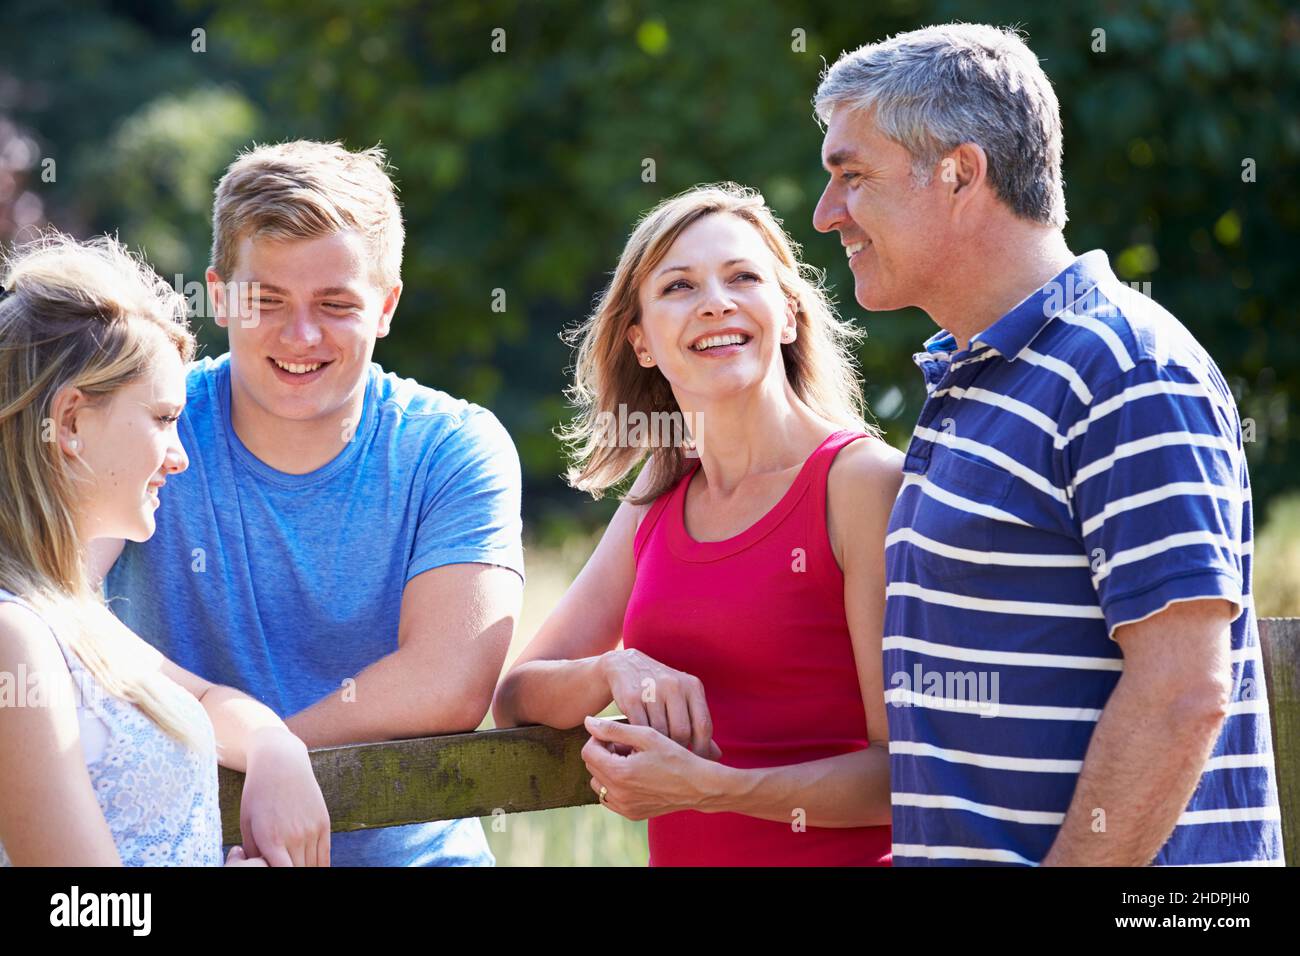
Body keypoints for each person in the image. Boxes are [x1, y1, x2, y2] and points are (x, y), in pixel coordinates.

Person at [812, 22, 1284, 865]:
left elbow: (1182, 694)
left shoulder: (1126, 370)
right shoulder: (978, 379)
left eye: (852, 177)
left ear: (960, 172)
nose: (826, 214)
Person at [95, 141, 525, 866]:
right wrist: (255, 745)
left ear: (385, 305)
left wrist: (276, 751)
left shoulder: (453, 446)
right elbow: (61, 612)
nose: (301, 337)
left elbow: (449, 681)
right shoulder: (146, 424)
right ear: (220, 294)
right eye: (266, 301)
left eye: (336, 304)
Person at [493, 183, 901, 866]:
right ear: (642, 341)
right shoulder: (657, 498)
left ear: (790, 313)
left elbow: (904, 776)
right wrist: (612, 668)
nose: (716, 301)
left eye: (743, 277)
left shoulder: (862, 485)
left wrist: (715, 789)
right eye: (679, 286)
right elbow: (515, 698)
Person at [0, 233, 329, 866]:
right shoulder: (15, 636)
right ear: (69, 422)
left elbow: (203, 699)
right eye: (161, 419)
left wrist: (273, 744)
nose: (180, 457)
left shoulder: (72, 617)